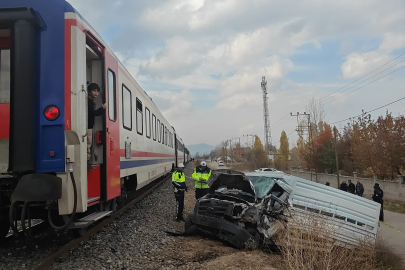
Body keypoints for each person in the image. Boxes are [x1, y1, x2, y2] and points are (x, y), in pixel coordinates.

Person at [87, 83, 106, 165]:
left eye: (97, 91)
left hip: (88, 126)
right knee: (88, 144)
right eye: (94, 91)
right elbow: (93, 113)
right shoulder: (88, 101)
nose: (96, 93)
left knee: (89, 144)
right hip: (88, 127)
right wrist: (103, 108)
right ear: (89, 91)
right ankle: (86, 160)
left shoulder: (90, 101)